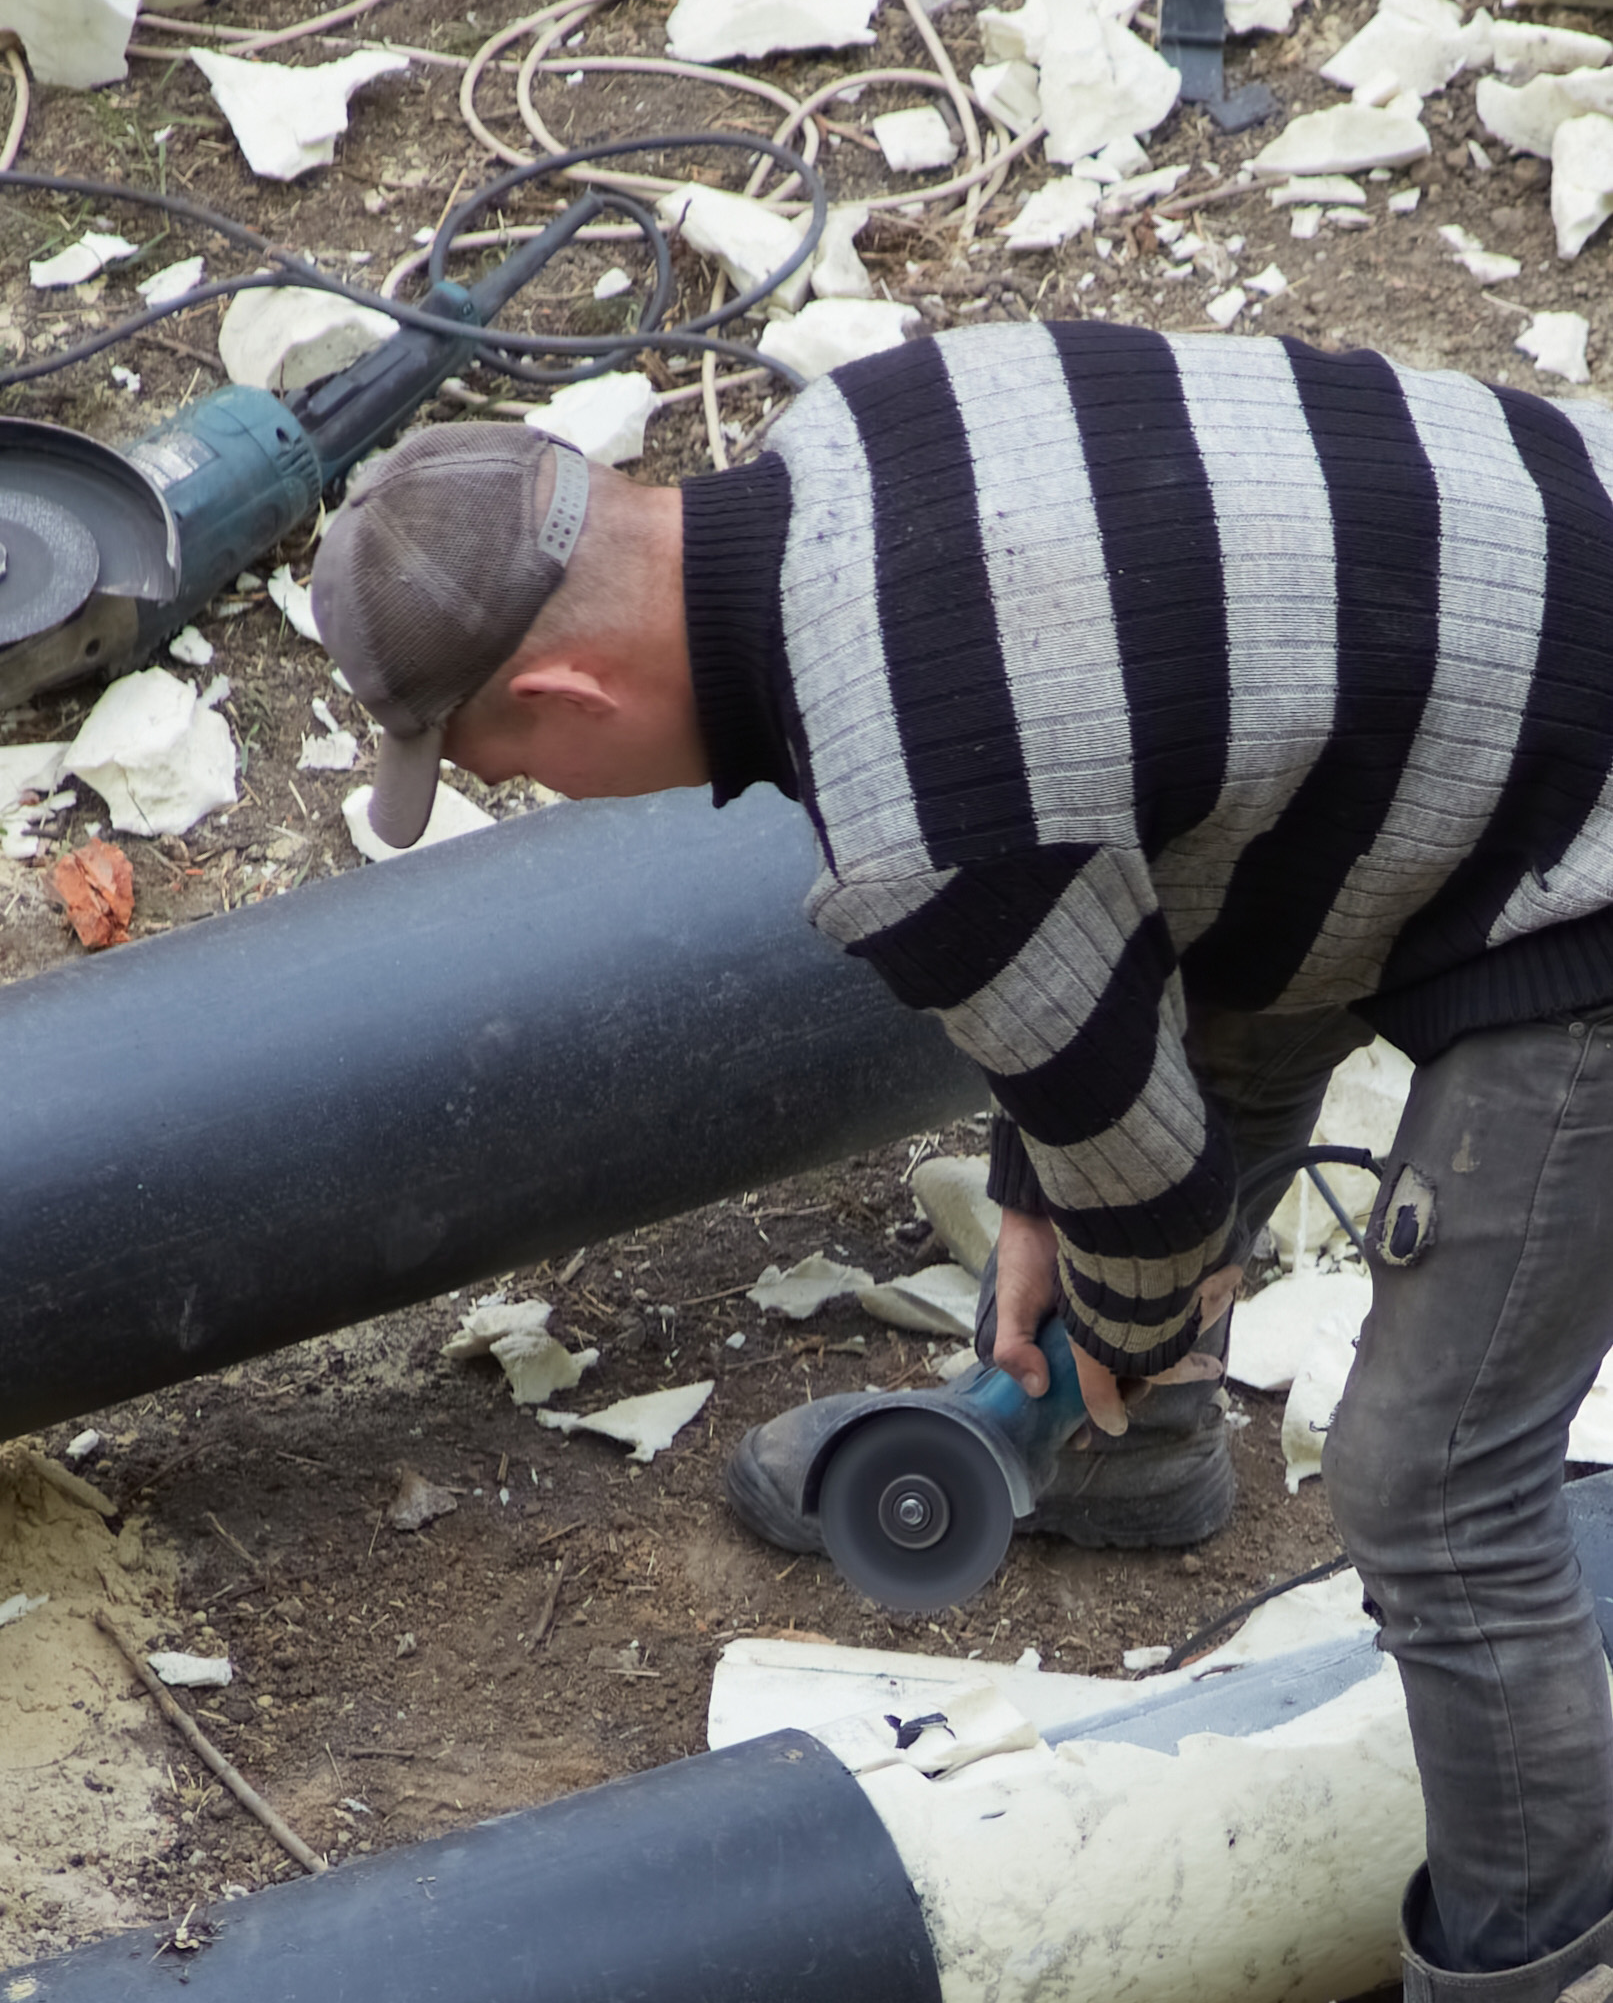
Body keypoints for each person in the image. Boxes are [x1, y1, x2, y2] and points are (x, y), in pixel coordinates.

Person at [312, 318, 1613, 2003]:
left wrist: (1116, 1298)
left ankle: (1533, 1970)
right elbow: (1111, 888)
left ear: (565, 694)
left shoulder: (921, 797)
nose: (541, 792)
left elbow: (1147, 1188)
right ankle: (1121, 1461)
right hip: (1506, 661)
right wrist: (1039, 1206)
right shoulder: (866, 424)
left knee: (1433, 1486)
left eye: (506, 767)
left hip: (1579, 865)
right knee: (1198, 1037)